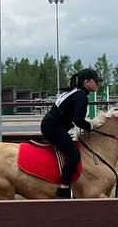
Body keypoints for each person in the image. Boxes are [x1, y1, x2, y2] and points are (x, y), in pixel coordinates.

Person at [41, 67, 100, 199]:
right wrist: (90, 126)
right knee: (74, 155)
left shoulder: (76, 92)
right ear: (86, 82)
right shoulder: (81, 96)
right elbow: (78, 120)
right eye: (96, 81)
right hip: (53, 127)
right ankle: (64, 189)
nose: (98, 84)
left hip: (52, 125)